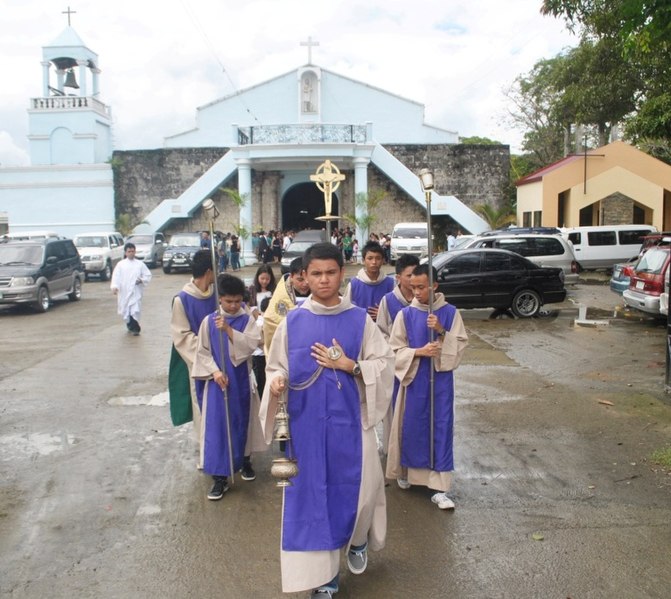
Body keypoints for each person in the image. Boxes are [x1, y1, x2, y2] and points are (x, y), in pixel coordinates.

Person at [260, 242, 394, 597]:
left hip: (352, 424)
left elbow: (384, 366)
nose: (323, 280)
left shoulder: (358, 322)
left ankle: (358, 539)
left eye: (330, 272)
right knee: (314, 502)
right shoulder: (294, 321)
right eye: (315, 274)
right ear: (304, 276)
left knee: (362, 494)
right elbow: (277, 365)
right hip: (306, 430)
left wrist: (349, 365)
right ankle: (325, 579)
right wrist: (276, 381)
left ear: (342, 274)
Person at [385, 263, 469, 510]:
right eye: (413, 287)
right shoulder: (405, 315)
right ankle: (408, 474)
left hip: (440, 381)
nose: (416, 292)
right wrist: (419, 352)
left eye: (421, 287)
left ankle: (439, 487)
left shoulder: (450, 313)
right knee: (411, 425)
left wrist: (442, 331)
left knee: (440, 427)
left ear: (434, 286)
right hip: (414, 380)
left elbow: (460, 346)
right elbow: (393, 350)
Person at [192, 274, 267, 500]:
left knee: (242, 423)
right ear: (220, 300)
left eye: (237, 301)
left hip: (241, 380)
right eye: (228, 302)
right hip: (218, 383)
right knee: (218, 428)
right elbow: (202, 351)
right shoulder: (209, 321)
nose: (233, 306)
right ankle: (219, 478)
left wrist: (229, 331)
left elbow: (253, 344)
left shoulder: (246, 320)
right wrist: (215, 371)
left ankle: (244, 461)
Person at [168, 250, 217, 451]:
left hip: (222, 357)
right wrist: (207, 347)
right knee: (202, 405)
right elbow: (182, 335)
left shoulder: (218, 292)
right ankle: (206, 450)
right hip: (198, 361)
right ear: (208, 271)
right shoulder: (182, 299)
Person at [375, 253, 420, 453]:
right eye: (409, 275)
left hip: (421, 366)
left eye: (416, 275)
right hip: (396, 368)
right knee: (396, 415)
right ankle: (397, 458)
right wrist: (400, 352)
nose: (413, 280)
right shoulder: (389, 301)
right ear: (398, 277)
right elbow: (381, 333)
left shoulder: (425, 301)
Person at [262, 256, 310, 354]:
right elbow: (271, 322)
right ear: (291, 276)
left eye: (308, 279)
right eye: (300, 280)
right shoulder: (281, 296)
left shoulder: (320, 290)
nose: (305, 284)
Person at [343, 240, 395, 322]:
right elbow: (344, 310)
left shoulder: (391, 284)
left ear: (383, 261)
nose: (374, 262)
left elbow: (397, 311)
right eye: (370, 258)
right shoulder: (354, 284)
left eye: (378, 258)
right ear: (363, 260)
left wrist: (383, 314)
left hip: (383, 332)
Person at [110, 242, 152, 335]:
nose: (131, 253)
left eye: (133, 251)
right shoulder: (120, 265)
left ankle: (135, 328)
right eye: (129, 251)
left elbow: (147, 275)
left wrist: (141, 280)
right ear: (125, 253)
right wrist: (115, 287)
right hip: (124, 292)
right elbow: (116, 277)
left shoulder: (140, 264)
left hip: (135, 291)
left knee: (135, 309)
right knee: (126, 309)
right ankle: (130, 325)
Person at [248, 265, 277, 397]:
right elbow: (249, 308)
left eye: (267, 279)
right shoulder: (252, 291)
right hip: (257, 326)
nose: (264, 281)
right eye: (262, 278)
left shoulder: (274, 292)